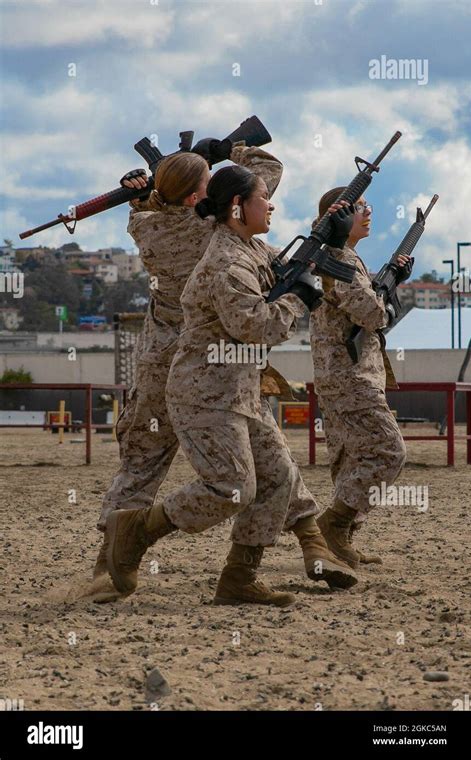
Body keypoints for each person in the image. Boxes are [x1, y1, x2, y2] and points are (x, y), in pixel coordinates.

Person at [103, 165, 358, 607]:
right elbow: (254, 325)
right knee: (232, 487)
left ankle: (240, 577)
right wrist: (300, 295)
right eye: (264, 197)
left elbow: (294, 264)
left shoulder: (250, 248)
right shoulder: (227, 262)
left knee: (277, 476)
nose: (273, 203)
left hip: (237, 390)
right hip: (204, 393)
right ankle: (138, 529)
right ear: (238, 207)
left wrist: (330, 237)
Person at [92, 139, 284, 578]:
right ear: (204, 198)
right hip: (216, 366)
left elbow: (151, 209)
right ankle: (292, 545)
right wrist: (230, 148)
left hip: (160, 362)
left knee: (141, 462)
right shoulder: (217, 231)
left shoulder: (145, 226)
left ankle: (109, 561)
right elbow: (266, 172)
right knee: (265, 459)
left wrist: (145, 191)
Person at [309, 190, 410, 569]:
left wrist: (391, 278)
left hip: (346, 373)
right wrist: (385, 298)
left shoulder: (344, 257)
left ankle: (341, 539)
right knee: (389, 450)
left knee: (351, 458)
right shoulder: (337, 260)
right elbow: (373, 315)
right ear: (338, 217)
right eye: (360, 207)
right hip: (349, 376)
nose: (369, 212)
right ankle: (333, 525)